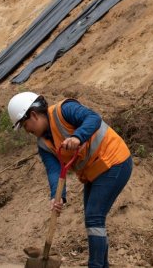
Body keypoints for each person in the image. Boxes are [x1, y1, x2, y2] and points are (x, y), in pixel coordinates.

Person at [8, 92, 133, 268]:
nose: (27, 130)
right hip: (94, 173)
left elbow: (93, 118)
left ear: (33, 115)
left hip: (115, 161)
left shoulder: (64, 110)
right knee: (94, 220)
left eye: (24, 124)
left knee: (94, 217)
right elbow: (54, 170)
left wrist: (77, 136)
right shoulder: (43, 144)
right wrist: (57, 197)